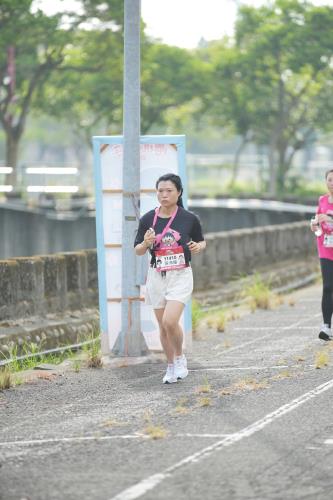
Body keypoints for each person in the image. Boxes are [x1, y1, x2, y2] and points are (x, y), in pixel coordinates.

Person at [134, 173, 206, 383]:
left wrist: (197, 247)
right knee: (162, 325)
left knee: (170, 320)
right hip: (157, 275)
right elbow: (138, 250)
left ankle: (180, 358)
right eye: (160, 191)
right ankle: (171, 366)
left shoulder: (189, 218)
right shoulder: (147, 219)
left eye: (169, 191)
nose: (164, 195)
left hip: (180, 274)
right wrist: (146, 243)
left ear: (179, 193)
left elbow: (202, 241)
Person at [310, 169, 333, 341]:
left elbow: (327, 218)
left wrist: (330, 218)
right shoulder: (322, 200)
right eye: (329, 180)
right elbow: (318, 220)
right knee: (327, 286)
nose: (332, 183)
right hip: (325, 247)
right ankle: (326, 327)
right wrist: (315, 225)